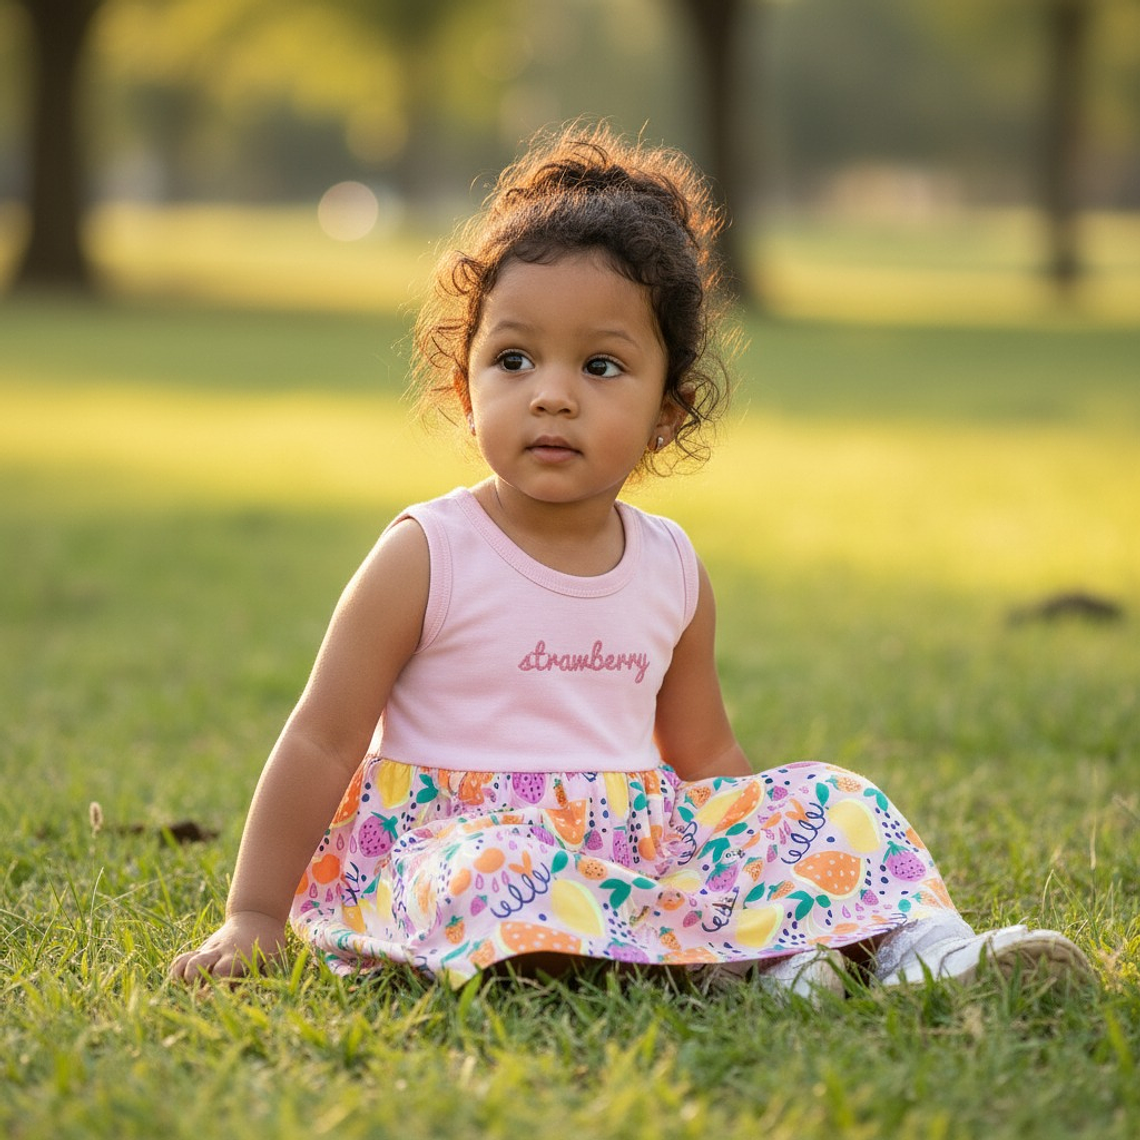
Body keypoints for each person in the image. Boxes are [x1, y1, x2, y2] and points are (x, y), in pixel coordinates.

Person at [171, 124, 1093, 997]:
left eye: (601, 367)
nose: (552, 396)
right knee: (498, 873)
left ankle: (925, 949)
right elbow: (322, 738)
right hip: (462, 854)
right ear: (466, 384)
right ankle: (740, 967)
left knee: (837, 798)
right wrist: (255, 915)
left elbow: (708, 758)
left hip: (636, 856)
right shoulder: (427, 553)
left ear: (666, 413)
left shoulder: (670, 567)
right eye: (514, 360)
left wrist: (760, 853)